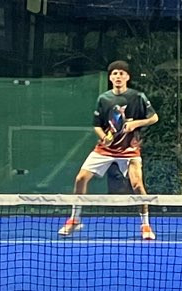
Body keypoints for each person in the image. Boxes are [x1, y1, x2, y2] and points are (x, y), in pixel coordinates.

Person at [61, 60, 158, 239]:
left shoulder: (138, 97)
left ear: (127, 77)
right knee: (81, 178)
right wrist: (103, 138)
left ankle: (145, 225)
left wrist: (136, 123)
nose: (118, 76)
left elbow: (154, 118)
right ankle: (75, 219)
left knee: (137, 185)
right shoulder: (103, 99)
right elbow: (97, 125)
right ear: (110, 78)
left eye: (121, 73)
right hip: (105, 149)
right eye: (114, 73)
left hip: (130, 149)